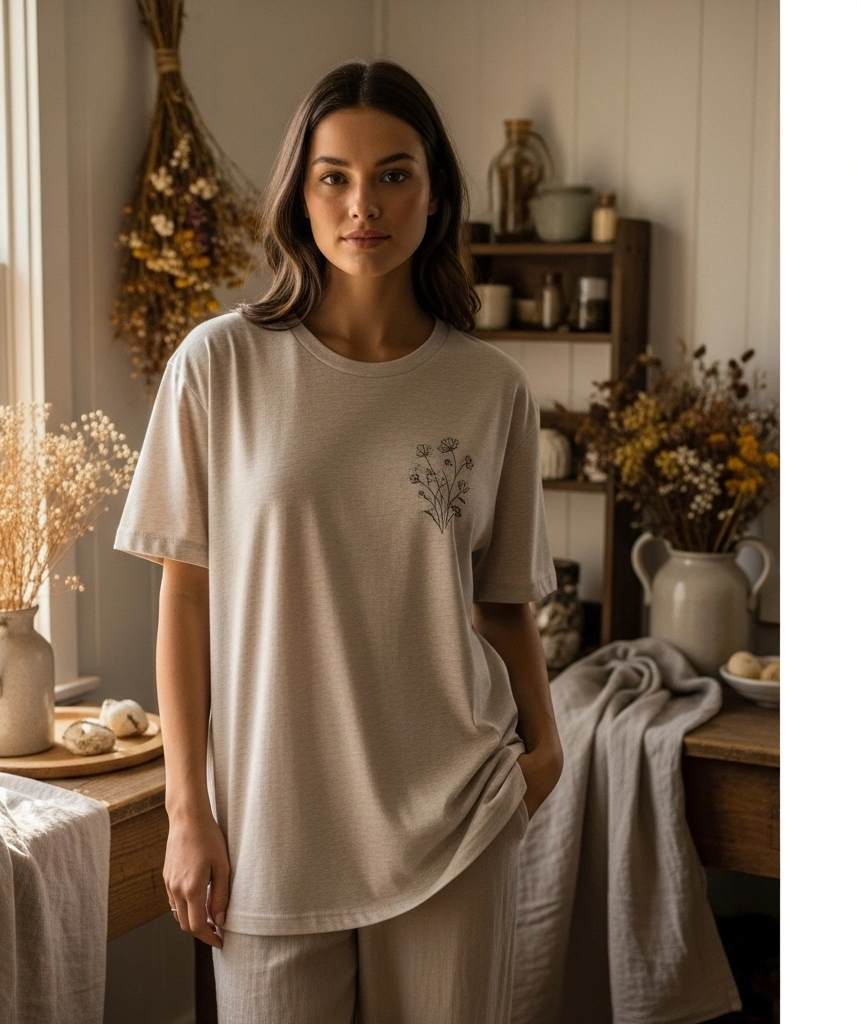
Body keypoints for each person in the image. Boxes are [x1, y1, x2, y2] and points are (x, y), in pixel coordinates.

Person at [114, 57, 564, 1024]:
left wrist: (548, 744)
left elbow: (503, 601)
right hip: (274, 826)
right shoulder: (217, 366)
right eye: (336, 176)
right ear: (301, 192)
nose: (366, 204)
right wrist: (187, 813)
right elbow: (183, 603)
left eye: (395, 173)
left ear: (436, 193)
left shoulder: (492, 391)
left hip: (457, 817)